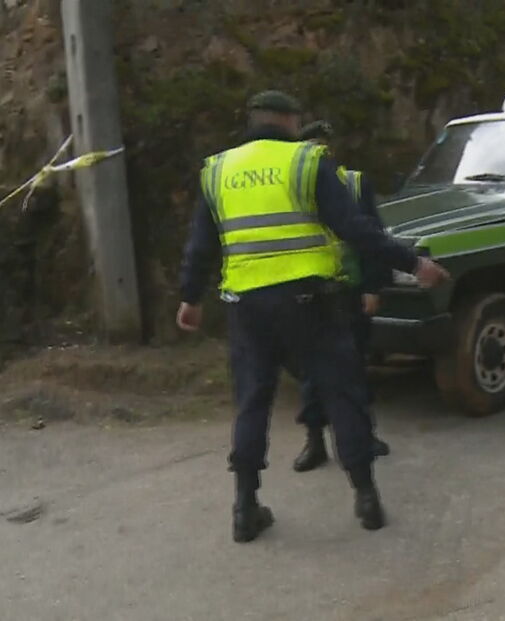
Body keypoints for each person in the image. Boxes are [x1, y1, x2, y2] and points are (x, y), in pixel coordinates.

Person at [176, 90, 449, 543]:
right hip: (310, 301)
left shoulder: (218, 169)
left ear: (252, 120)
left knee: (252, 401)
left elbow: (201, 244)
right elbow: (356, 228)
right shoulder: (307, 161)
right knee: (343, 391)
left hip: (247, 306)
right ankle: (366, 498)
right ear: (289, 120)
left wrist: (190, 297)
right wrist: (414, 264)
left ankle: (245, 508)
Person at [292, 120, 391, 472]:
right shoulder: (290, 188)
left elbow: (373, 236)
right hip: (309, 292)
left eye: (324, 148)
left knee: (355, 366)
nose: (321, 155)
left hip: (349, 289)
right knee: (311, 372)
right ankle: (315, 441)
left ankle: (365, 435)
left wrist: (373, 286)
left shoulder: (355, 182)